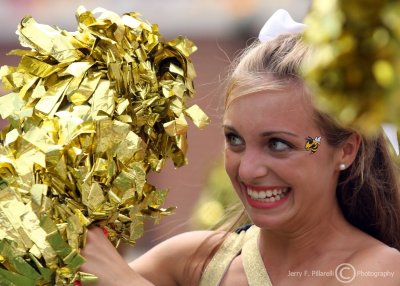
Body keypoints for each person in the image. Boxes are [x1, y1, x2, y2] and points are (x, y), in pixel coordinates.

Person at [79, 10, 400, 286]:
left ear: (345, 150)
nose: (247, 170)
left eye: (278, 144)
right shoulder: (192, 261)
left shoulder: (380, 271)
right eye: (235, 140)